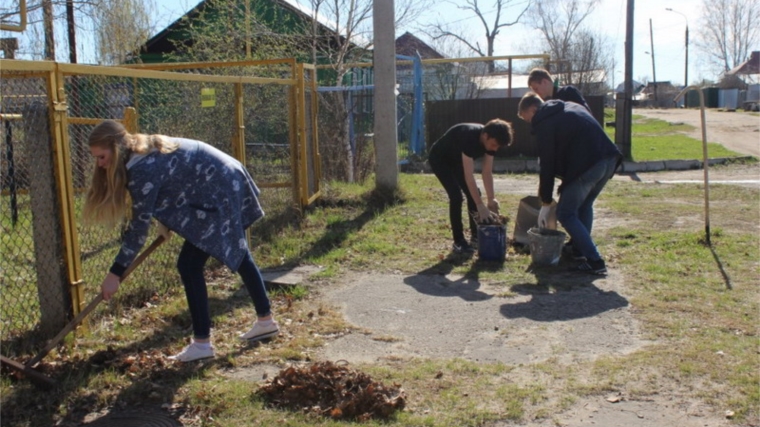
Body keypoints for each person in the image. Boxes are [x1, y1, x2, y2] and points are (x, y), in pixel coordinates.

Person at [83, 120, 279, 362]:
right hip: (224, 178)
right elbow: (174, 181)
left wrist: (115, 273)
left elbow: (137, 231)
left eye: (102, 157)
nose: (100, 165)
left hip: (220, 185)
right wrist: (165, 221)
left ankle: (202, 344)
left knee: (189, 265)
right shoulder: (140, 149)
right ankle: (265, 320)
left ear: (116, 147)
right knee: (235, 252)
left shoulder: (141, 167)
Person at [517, 92, 622, 275]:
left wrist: (546, 202)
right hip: (609, 158)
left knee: (565, 213)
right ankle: (580, 252)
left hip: (589, 165)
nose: (531, 125)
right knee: (584, 205)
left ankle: (595, 260)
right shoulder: (568, 107)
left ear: (534, 109)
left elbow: (547, 164)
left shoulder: (544, 121)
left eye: (528, 120)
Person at [428, 119, 514, 253]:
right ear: (485, 136)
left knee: (475, 195)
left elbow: (487, 172)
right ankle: (459, 241)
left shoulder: (491, 141)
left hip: (457, 161)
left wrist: (491, 199)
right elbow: (469, 176)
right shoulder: (469, 136)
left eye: (498, 147)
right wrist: (480, 205)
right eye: (494, 145)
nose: (495, 149)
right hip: (440, 159)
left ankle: (476, 236)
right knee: (456, 196)